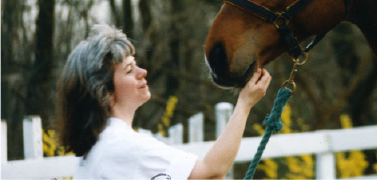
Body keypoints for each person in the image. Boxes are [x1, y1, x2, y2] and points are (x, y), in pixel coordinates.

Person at [57, 24, 271, 179]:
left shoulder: (103, 145)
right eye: (130, 70)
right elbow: (210, 173)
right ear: (103, 91)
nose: (143, 72)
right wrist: (244, 105)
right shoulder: (124, 146)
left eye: (136, 64)